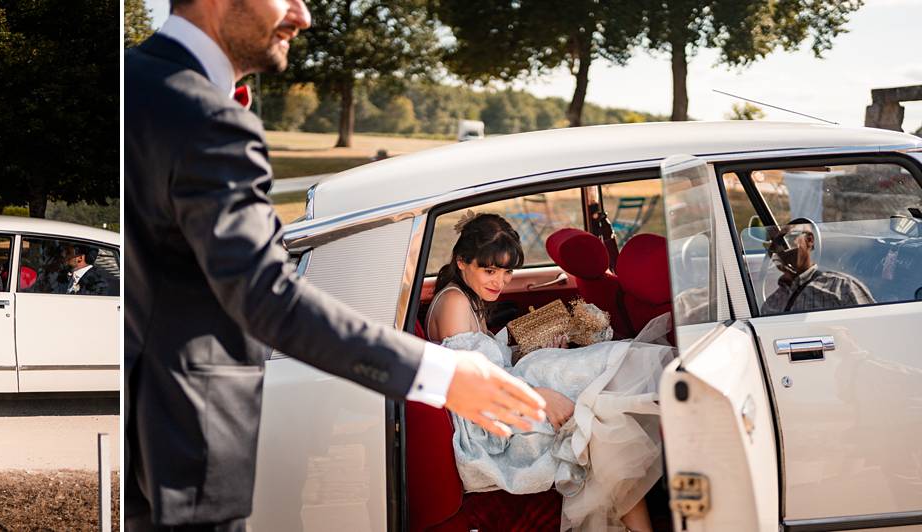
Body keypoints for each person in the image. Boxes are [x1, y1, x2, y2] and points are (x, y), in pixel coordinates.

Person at [124, 0, 547, 529]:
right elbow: (264, 295)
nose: (303, 17)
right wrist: (438, 372)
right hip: (188, 439)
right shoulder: (205, 114)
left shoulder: (133, 84)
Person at [425, 213, 670, 531]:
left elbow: (491, 367)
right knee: (597, 416)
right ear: (461, 261)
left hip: (504, 397)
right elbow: (474, 382)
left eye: (507, 271)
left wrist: (534, 352)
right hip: (489, 426)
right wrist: (540, 396)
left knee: (601, 400)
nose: (499, 282)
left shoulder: (468, 298)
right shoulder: (455, 304)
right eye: (489, 270)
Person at [760, 218, 874, 314]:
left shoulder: (842, 287)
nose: (781, 251)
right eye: (774, 247)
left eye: (787, 240)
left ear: (809, 240)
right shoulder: (771, 304)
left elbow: (873, 327)